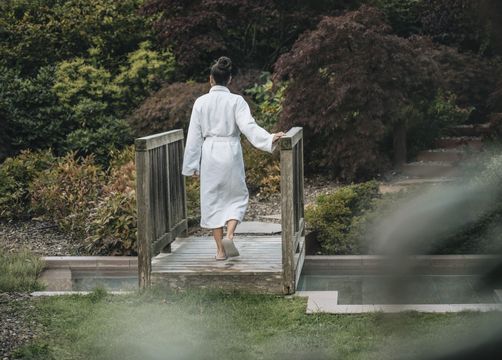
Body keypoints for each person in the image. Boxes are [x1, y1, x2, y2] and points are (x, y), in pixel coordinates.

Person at [182, 56, 285, 261]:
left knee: (212, 200)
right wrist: (269, 138)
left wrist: (192, 165)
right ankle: (230, 235)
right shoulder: (236, 101)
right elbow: (248, 126)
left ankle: (220, 251)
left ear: (211, 79)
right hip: (230, 151)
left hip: (210, 152)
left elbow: (194, 135)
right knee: (237, 197)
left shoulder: (201, 103)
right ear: (229, 80)